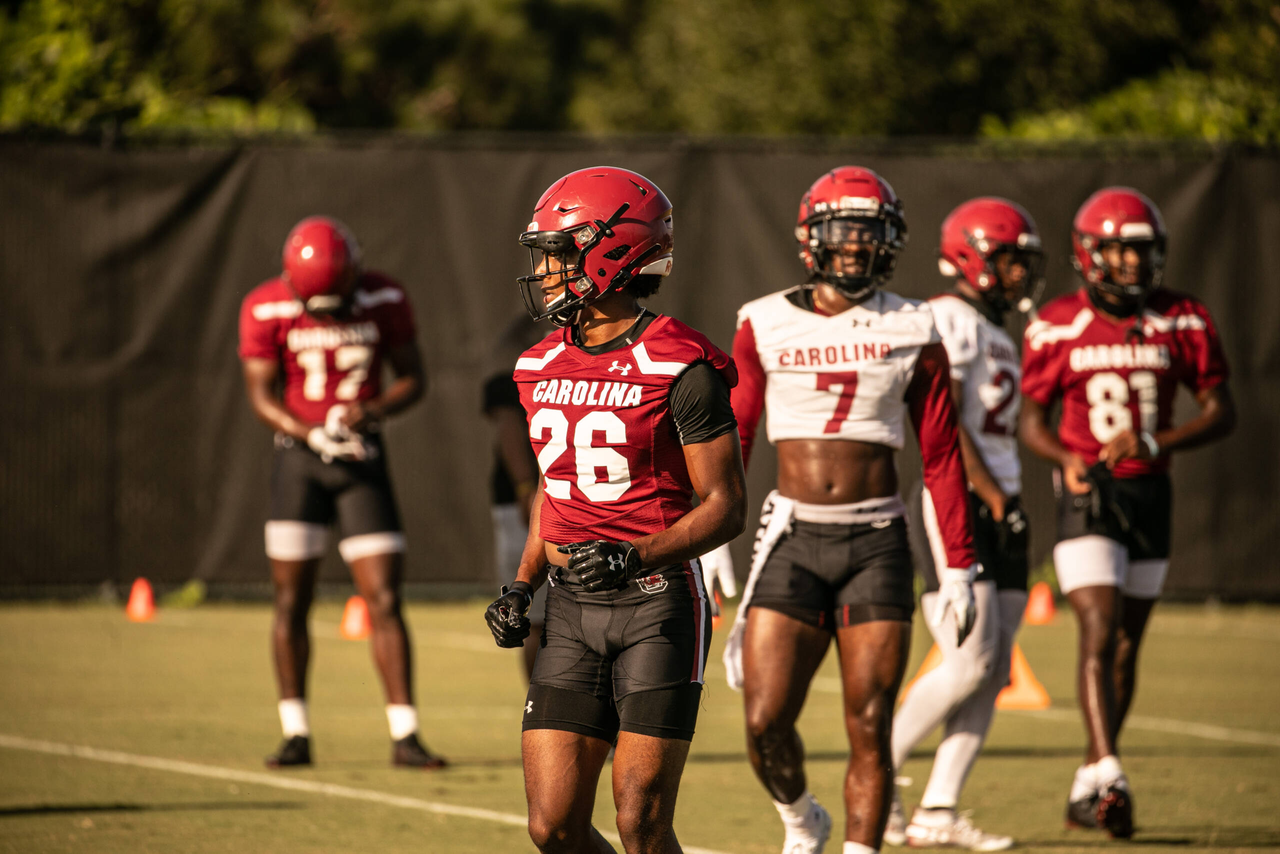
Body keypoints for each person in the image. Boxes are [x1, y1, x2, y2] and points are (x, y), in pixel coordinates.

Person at [483, 166, 747, 854]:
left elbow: (724, 507)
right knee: (553, 826)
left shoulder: (680, 365)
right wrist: (521, 582)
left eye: (560, 254)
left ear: (612, 252)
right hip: (570, 608)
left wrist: (637, 553)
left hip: (656, 605)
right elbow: (555, 487)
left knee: (642, 824)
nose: (544, 272)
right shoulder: (540, 364)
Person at [725, 166, 979, 854]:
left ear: (890, 241)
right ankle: (801, 820)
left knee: (870, 722)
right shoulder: (762, 320)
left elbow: (942, 457)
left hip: (876, 539)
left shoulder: (916, 323)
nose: (857, 249)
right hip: (791, 535)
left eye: (870, 235)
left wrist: (958, 566)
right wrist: (714, 527)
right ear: (814, 239)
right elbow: (734, 435)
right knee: (764, 721)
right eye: (844, 234)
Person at [1018, 188, 1235, 838]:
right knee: (1097, 625)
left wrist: (1154, 443)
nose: (1133, 263)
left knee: (1126, 644)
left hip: (1151, 491)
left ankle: (1090, 781)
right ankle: (1111, 768)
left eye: (1141, 250)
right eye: (1119, 249)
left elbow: (1223, 411)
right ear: (1089, 254)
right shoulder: (1057, 323)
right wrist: (1066, 458)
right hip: (1089, 493)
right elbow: (1033, 420)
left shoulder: (1184, 318)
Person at [239, 216, 445, 769]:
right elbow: (260, 394)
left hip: (361, 458)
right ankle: (295, 731)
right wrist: (310, 432)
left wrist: (369, 412)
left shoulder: (384, 295)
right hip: (299, 461)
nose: (328, 313)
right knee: (291, 600)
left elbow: (414, 378)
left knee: (384, 598)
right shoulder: (264, 306)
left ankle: (405, 734)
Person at [883, 198, 1043, 851]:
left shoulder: (997, 330)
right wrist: (989, 495)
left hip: (1001, 500)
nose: (1018, 274)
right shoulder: (948, 317)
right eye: (1008, 260)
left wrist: (1006, 499)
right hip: (961, 500)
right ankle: (875, 773)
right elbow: (939, 422)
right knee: (967, 661)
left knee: (994, 666)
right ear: (974, 254)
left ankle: (938, 807)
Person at [483, 316, 549, 680]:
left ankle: (546, 713)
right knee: (536, 619)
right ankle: (546, 714)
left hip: (553, 495)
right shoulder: (525, 366)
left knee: (539, 620)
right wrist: (526, 487)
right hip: (542, 497)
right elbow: (510, 428)